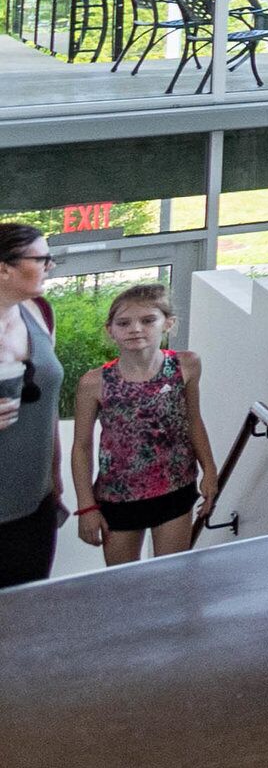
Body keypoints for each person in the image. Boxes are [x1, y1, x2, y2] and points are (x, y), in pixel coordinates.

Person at [71, 283, 218, 563]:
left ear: (168, 323)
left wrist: (210, 470)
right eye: (124, 323)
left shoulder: (186, 365)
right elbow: (81, 446)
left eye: (148, 320)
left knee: (171, 574)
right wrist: (86, 506)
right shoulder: (94, 382)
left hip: (175, 487)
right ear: (110, 330)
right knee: (124, 581)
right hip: (118, 495)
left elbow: (193, 421)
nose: (135, 329)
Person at [0, 222, 58, 587]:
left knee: (32, 604)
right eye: (42, 259)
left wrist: (56, 478)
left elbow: (49, 403)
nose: (50, 266)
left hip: (35, 501)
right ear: (4, 268)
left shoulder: (40, 311)